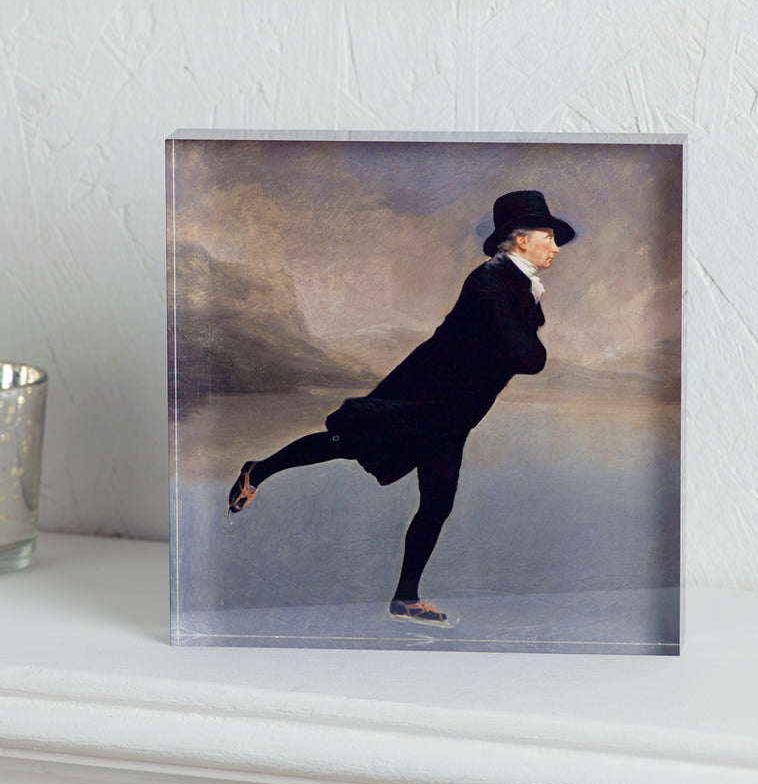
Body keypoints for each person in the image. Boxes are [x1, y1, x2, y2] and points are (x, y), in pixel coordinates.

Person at [226, 189, 576, 628]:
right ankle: (256, 471)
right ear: (521, 239)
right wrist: (521, 352)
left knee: (437, 504)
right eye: (548, 237)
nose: (556, 247)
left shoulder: (519, 286)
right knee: (343, 443)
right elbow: (528, 357)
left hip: (453, 414)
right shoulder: (488, 282)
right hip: (422, 399)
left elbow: (521, 352)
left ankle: (405, 599)